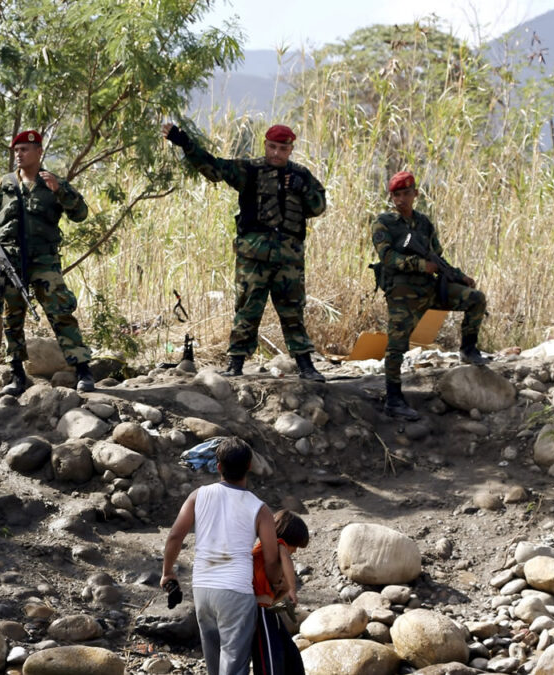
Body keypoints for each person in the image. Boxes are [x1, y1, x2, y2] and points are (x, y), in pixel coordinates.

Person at [162, 122, 327, 380]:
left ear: (290, 149)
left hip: (289, 259)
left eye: (282, 149)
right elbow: (213, 168)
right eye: (272, 147)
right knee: (247, 309)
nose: (276, 153)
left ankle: (306, 365)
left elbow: (318, 207)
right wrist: (183, 141)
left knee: (293, 310)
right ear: (265, 145)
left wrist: (300, 187)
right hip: (254, 257)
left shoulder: (302, 175)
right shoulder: (249, 170)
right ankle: (235, 364)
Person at [0, 129, 95, 396]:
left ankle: (83, 370)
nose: (19, 155)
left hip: (44, 262)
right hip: (10, 261)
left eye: (25, 150)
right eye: (16, 151)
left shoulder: (51, 183)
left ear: (39, 152)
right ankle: (18, 375)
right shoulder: (5, 184)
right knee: (12, 318)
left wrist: (61, 190)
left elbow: (81, 214)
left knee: (61, 313)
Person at [372, 171, 489, 420]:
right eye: (396, 195)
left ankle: (468, 349)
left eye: (406, 193)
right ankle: (393, 399)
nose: (401, 199)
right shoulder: (384, 223)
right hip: (404, 292)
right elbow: (388, 257)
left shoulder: (424, 223)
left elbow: (438, 257)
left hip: (430, 289)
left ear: (416, 194)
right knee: (396, 346)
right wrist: (419, 264)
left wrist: (458, 276)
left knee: (475, 298)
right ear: (391, 197)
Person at [161, 438, 284, 675]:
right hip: (236, 592)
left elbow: (175, 536)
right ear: (249, 466)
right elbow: (270, 558)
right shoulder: (260, 508)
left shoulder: (199, 495)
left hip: (203, 588)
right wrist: (273, 586)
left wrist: (168, 572)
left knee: (214, 666)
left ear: (218, 467)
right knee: (234, 666)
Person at [251, 510, 309, 675]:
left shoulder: (268, 554)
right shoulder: (276, 544)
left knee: (291, 657)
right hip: (259, 610)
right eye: (295, 546)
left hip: (268, 609)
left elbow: (273, 595)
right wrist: (291, 588)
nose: (295, 551)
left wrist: (282, 592)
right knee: (270, 658)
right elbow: (286, 559)